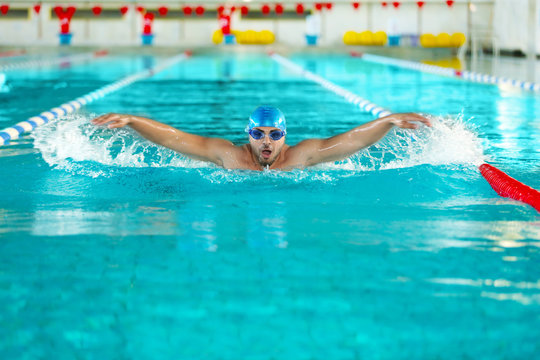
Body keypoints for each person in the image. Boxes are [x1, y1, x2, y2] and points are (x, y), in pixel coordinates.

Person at [91, 105, 431, 171]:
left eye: (274, 135)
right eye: (258, 134)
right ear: (248, 135)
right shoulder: (228, 156)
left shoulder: (301, 156)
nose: (266, 142)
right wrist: (133, 120)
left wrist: (388, 121)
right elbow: (175, 139)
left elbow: (351, 140)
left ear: (285, 136)